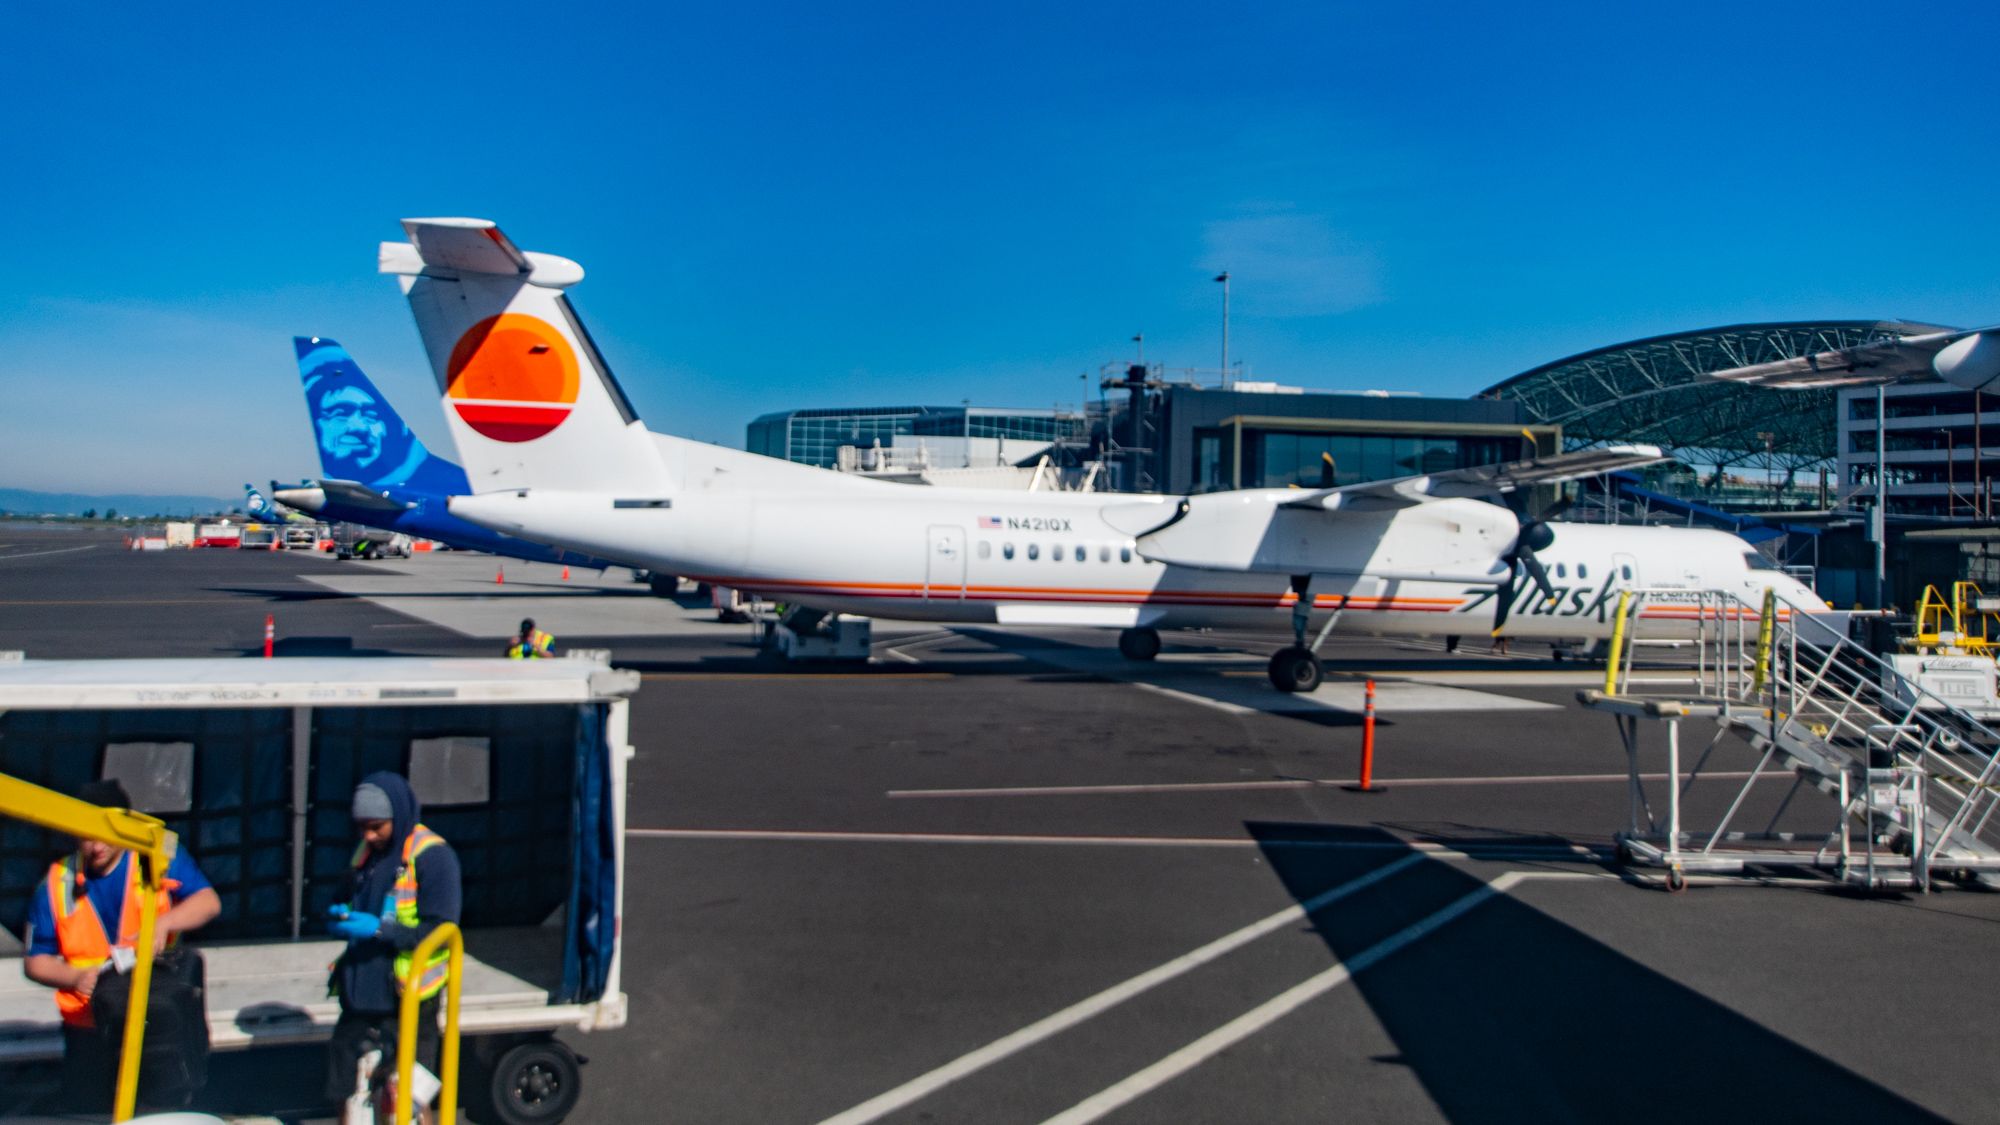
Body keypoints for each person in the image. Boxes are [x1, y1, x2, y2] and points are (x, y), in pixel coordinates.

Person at [21, 779, 221, 1112]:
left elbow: (208, 901)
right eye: (86, 836)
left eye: (103, 835)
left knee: (156, 1111)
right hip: (88, 1026)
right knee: (87, 1113)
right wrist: (74, 977)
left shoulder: (154, 856)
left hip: (151, 1017)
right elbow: (35, 961)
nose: (95, 845)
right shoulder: (56, 882)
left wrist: (165, 923)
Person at [325, 773, 462, 1121]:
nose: (368, 836)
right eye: (361, 827)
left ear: (397, 817)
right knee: (350, 1092)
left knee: (409, 1098)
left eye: (376, 827)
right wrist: (338, 914)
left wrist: (382, 931)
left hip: (409, 1001)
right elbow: (343, 894)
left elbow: (441, 930)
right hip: (361, 997)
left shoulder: (433, 857)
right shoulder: (365, 853)